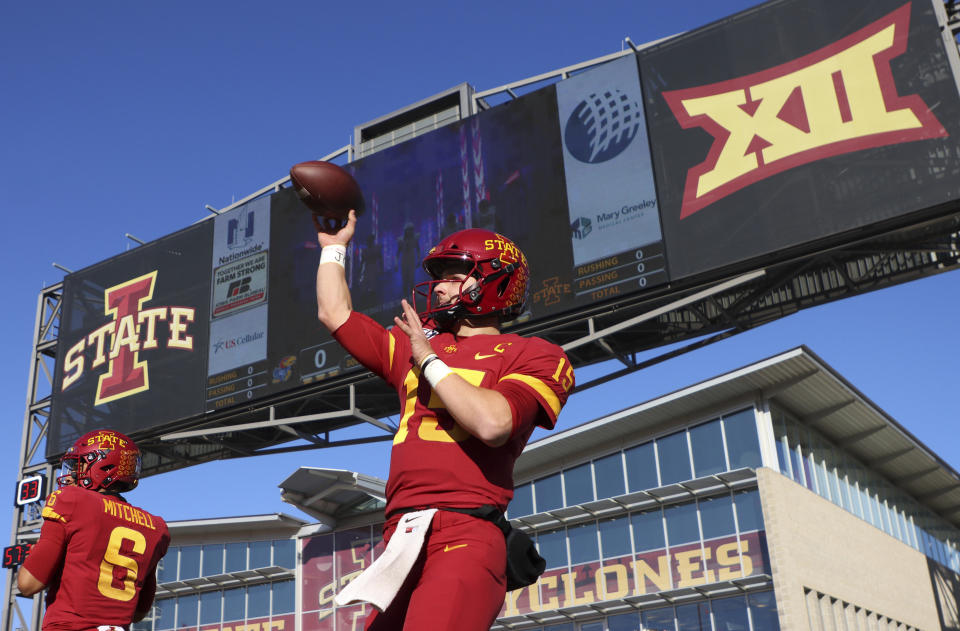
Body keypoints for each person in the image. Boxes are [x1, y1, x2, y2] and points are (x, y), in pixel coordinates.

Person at [314, 210, 574, 631]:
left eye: (454, 274)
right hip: (401, 536)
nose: (439, 286)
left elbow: (493, 424)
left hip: (466, 530)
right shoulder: (416, 345)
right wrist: (333, 249)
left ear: (494, 282)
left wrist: (429, 361)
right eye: (439, 275)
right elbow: (335, 314)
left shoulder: (533, 354)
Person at [17, 429, 170, 630]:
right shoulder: (155, 527)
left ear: (102, 466)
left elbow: (28, 584)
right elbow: (139, 612)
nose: (70, 476)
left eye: (77, 467)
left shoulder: (71, 501)